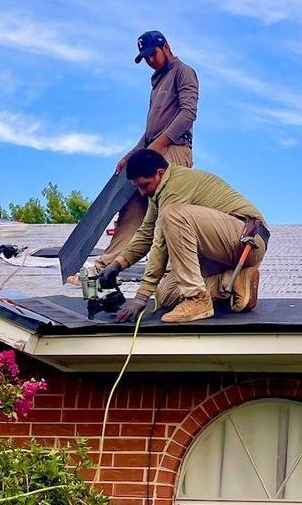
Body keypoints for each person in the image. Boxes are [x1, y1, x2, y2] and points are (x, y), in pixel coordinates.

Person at [98, 149, 269, 325]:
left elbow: (160, 243)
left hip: (248, 240)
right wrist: (117, 265)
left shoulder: (176, 185)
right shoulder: (158, 192)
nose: (142, 192)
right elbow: (146, 234)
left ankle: (197, 299)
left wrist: (141, 298)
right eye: (138, 187)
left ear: (160, 173)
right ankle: (234, 283)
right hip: (222, 252)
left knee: (172, 215)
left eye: (145, 185)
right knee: (166, 293)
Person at [94, 30, 199, 268]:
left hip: (174, 150)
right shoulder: (158, 82)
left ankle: (175, 268)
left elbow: (188, 114)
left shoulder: (184, 72)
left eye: (153, 54)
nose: (150, 61)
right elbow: (150, 132)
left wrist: (156, 147)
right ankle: (108, 264)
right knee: (133, 204)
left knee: (168, 211)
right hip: (154, 150)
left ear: (166, 47)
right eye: (145, 58)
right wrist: (131, 156)